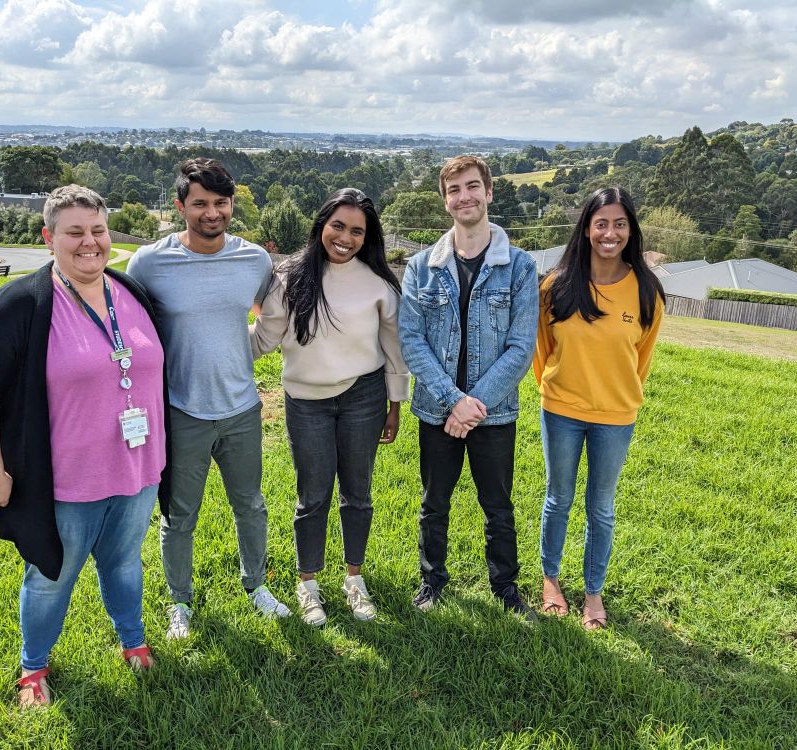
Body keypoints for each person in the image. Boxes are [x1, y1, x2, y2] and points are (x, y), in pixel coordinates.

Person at [0, 184, 167, 707]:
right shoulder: (18, 305)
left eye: (98, 230)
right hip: (66, 479)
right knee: (51, 574)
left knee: (123, 561)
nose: (89, 243)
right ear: (49, 237)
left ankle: (132, 640)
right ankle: (33, 667)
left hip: (137, 468)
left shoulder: (131, 293)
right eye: (74, 232)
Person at [126, 158, 289, 640]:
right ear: (181, 207)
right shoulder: (150, 262)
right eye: (200, 203)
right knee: (179, 515)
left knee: (251, 505)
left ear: (231, 205)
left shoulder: (253, 259)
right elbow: (133, 331)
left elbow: (270, 314)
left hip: (241, 409)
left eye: (221, 203)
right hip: (181, 411)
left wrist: (248, 348)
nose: (211, 212)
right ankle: (180, 601)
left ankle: (257, 586)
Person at [251, 188, 409, 626]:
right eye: (338, 225)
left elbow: (393, 347)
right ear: (321, 225)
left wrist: (395, 403)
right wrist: (207, 348)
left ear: (367, 236)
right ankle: (309, 585)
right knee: (313, 496)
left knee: (357, 494)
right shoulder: (289, 276)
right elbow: (264, 339)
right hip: (306, 402)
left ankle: (354, 581)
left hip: (364, 396)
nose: (346, 237)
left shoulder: (377, 283)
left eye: (357, 231)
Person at [398, 155, 538, 618]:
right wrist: (454, 402)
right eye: (454, 189)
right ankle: (431, 579)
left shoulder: (518, 267)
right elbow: (412, 341)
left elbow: (521, 347)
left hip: (493, 413)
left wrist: (474, 404)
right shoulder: (421, 267)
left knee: (497, 505)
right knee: (433, 503)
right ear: (445, 200)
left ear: (489, 192)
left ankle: (505, 588)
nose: (465, 196)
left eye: (472, 186)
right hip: (437, 410)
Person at [534, 186, 665, 630]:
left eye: (620, 224)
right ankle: (551, 581)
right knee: (559, 499)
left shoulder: (647, 291)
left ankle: (593, 592)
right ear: (587, 228)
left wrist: (615, 396)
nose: (610, 233)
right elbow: (542, 349)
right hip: (561, 411)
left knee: (601, 507)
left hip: (615, 417)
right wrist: (558, 393)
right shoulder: (556, 285)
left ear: (631, 230)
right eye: (602, 223)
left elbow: (640, 360)